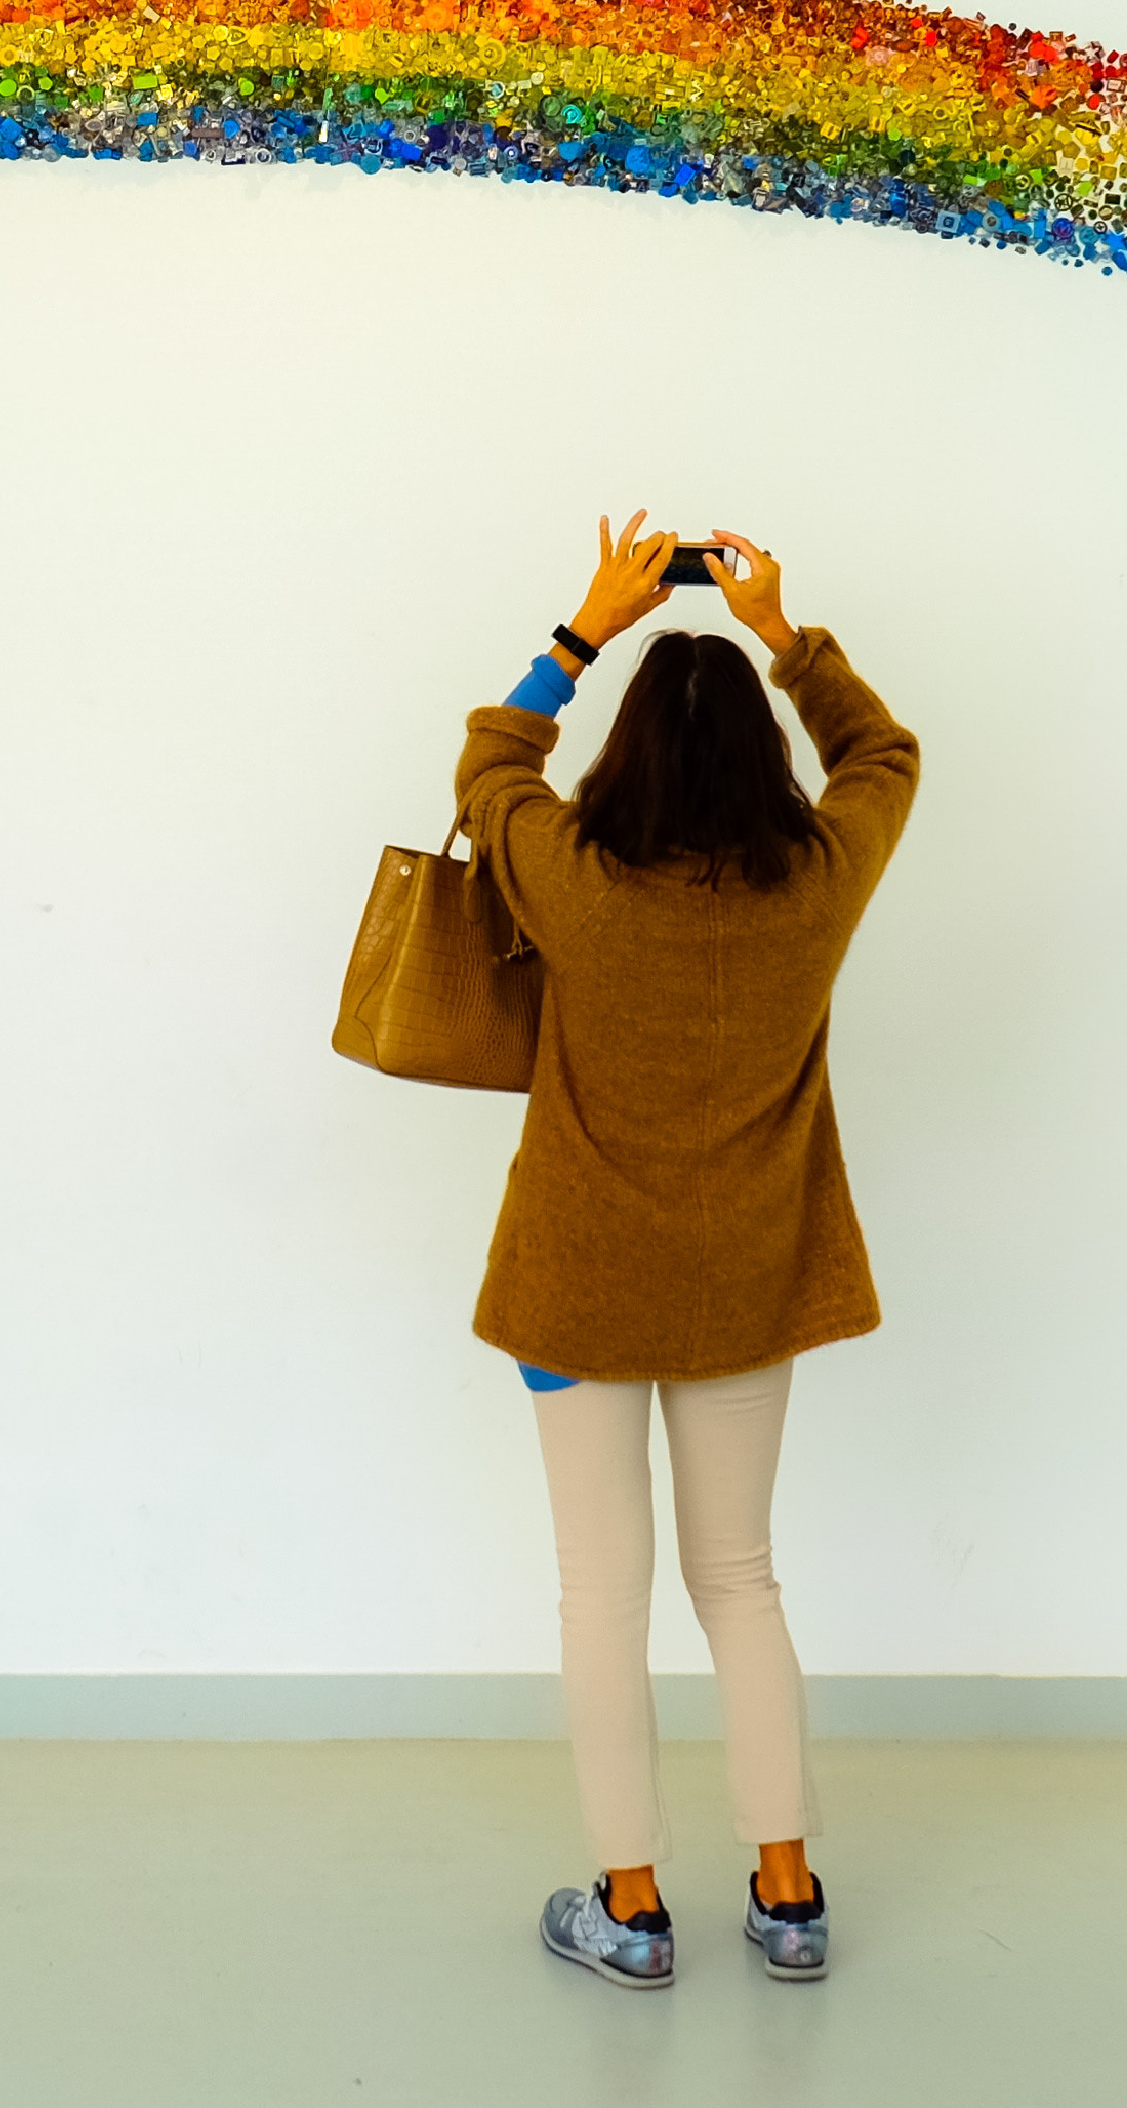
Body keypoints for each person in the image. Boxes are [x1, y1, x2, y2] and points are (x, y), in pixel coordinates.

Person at [460, 511, 924, 1992]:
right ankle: (786, 1894)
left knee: (603, 1592)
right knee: (742, 1579)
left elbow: (488, 770)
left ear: (631, 758)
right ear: (761, 766)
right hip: (747, 1283)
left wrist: (582, 633)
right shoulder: (820, 880)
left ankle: (634, 1909)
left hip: (573, 1283)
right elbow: (886, 759)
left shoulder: (571, 876)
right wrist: (785, 635)